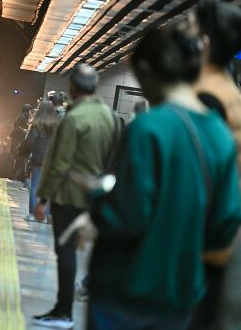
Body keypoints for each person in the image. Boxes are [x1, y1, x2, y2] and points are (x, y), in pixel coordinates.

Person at [87, 22, 241, 329]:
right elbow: (224, 227)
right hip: (181, 297)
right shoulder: (221, 136)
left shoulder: (149, 128)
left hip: (126, 288)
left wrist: (97, 195)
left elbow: (127, 217)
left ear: (145, 70)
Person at [32, 64, 119, 329]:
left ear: (72, 88)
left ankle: (63, 312)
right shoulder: (109, 116)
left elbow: (58, 163)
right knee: (92, 253)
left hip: (69, 197)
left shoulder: (72, 118)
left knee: (66, 251)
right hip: (96, 196)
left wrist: (43, 198)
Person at [193, 0, 241, 329]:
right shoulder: (228, 89)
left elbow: (194, 177)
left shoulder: (207, 96)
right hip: (219, 232)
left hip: (200, 239)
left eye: (188, 30)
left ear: (204, 41)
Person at [18, 100, 59, 221]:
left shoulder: (37, 126)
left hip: (39, 160)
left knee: (35, 187)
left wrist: (23, 153)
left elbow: (29, 143)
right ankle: (47, 215)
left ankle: (35, 215)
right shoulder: (58, 127)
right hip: (53, 162)